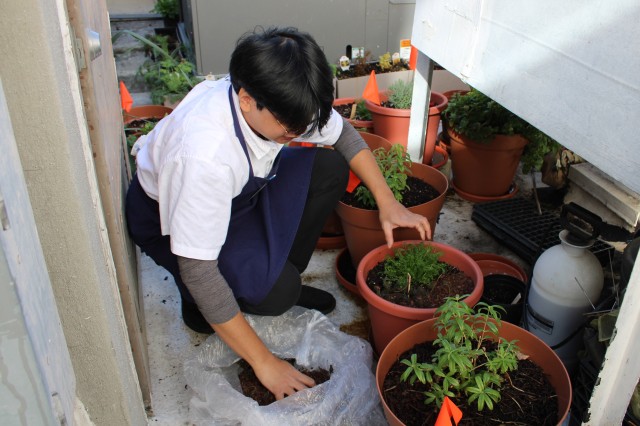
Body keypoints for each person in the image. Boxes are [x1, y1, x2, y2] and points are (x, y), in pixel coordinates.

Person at [125, 26, 431, 400]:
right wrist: (264, 362)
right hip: (169, 224)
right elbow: (199, 270)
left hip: (239, 197)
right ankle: (202, 306)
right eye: (290, 128)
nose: (301, 131)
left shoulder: (281, 98)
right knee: (275, 294)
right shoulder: (204, 155)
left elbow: (343, 136)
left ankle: (273, 274)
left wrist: (388, 202)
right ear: (247, 100)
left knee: (328, 168)